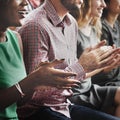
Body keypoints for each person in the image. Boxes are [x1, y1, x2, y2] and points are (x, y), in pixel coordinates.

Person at [17, 0, 120, 119]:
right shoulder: (36, 25)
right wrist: (82, 66)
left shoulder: (71, 22)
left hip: (64, 104)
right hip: (37, 110)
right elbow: (34, 93)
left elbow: (73, 75)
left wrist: (97, 63)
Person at [0, 0, 86, 119]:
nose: (25, 2)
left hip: (63, 104)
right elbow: (30, 104)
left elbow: (21, 101)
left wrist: (36, 83)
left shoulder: (15, 38)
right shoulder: (35, 25)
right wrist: (33, 80)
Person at [69, 0, 120, 117]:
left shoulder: (94, 29)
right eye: (100, 0)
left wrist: (108, 65)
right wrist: (103, 66)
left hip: (89, 88)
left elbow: (98, 70)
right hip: (75, 93)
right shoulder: (73, 30)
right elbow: (74, 74)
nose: (104, 5)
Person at [92, 0, 120, 86]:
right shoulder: (101, 27)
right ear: (107, 4)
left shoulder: (117, 24)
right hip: (107, 80)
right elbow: (107, 63)